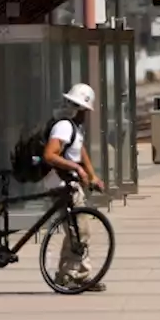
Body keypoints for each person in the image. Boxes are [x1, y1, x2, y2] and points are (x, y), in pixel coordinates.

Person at [42, 83, 107, 291]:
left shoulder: (74, 127)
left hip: (69, 183)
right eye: (84, 110)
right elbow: (50, 154)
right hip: (61, 184)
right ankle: (67, 275)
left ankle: (80, 274)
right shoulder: (64, 126)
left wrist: (92, 175)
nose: (86, 114)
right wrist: (77, 170)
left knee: (80, 230)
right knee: (78, 230)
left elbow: (81, 151)